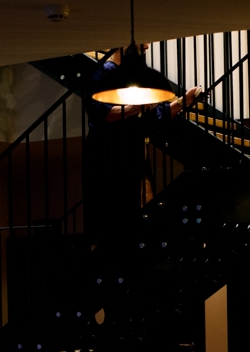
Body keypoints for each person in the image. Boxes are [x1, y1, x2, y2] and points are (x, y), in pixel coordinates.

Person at [82, 46, 202, 243]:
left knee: (137, 206)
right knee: (113, 210)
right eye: (141, 43)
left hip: (131, 153)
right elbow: (99, 113)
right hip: (110, 154)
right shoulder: (105, 72)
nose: (146, 47)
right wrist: (132, 108)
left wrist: (183, 102)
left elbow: (153, 116)